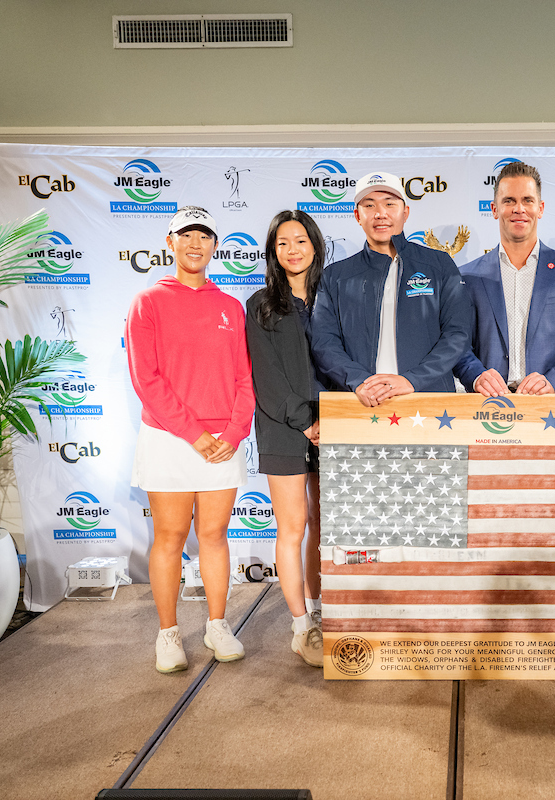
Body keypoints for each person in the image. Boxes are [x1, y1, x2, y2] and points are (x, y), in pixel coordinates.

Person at [126, 206, 255, 674]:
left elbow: (244, 378)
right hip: (169, 438)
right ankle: (168, 633)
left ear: (215, 245)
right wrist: (194, 434)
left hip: (222, 441)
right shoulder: (147, 302)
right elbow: (147, 380)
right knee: (170, 537)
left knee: (214, 536)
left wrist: (234, 432)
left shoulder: (230, 307)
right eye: (186, 235)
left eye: (204, 236)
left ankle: (217, 625)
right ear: (171, 242)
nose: (195, 244)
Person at [310, 172, 471, 404]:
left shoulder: (439, 265)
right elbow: (324, 342)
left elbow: (457, 333)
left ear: (405, 212)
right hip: (362, 404)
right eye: (369, 205)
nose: (380, 213)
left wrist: (412, 380)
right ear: (357, 215)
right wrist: (359, 382)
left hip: (429, 403)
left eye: (389, 203)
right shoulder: (336, 276)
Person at [245, 210, 327, 668]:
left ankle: (321, 607)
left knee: (326, 525)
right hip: (282, 427)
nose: (292, 250)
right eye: (282, 243)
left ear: (315, 245)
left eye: (300, 240)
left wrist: (330, 419)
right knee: (292, 526)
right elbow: (267, 377)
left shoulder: (334, 297)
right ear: (273, 252)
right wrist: (306, 421)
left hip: (335, 425)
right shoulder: (261, 305)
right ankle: (301, 624)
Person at [454, 161, 555, 396]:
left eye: (527, 200)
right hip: (487, 404)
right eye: (509, 201)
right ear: (494, 209)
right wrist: (477, 376)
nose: (518, 209)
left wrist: (554, 381)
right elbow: (457, 343)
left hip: (549, 406)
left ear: (540, 208)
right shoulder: (467, 276)